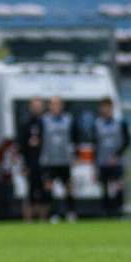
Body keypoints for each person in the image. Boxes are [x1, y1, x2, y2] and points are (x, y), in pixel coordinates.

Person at [39, 95, 80, 223]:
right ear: (49, 106)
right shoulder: (44, 120)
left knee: (67, 187)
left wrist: (75, 154)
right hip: (49, 159)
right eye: (53, 104)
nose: (56, 106)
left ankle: (70, 212)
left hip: (64, 159)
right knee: (49, 187)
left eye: (58, 104)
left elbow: (75, 138)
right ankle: (53, 213)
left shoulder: (68, 120)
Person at [93, 97, 129, 218]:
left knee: (118, 185)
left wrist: (117, 155)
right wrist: (94, 165)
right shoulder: (97, 125)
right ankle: (106, 211)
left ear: (112, 108)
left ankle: (118, 210)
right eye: (103, 107)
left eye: (108, 107)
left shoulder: (120, 124)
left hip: (116, 162)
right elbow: (95, 145)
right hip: (102, 161)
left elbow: (126, 142)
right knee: (105, 187)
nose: (106, 110)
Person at [15, 97, 49, 221]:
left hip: (45, 163)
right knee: (29, 194)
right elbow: (20, 146)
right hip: (30, 163)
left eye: (39, 105)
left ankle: (43, 220)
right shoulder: (25, 124)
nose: (36, 108)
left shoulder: (47, 123)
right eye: (34, 105)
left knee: (44, 193)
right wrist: (23, 165)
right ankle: (28, 221)